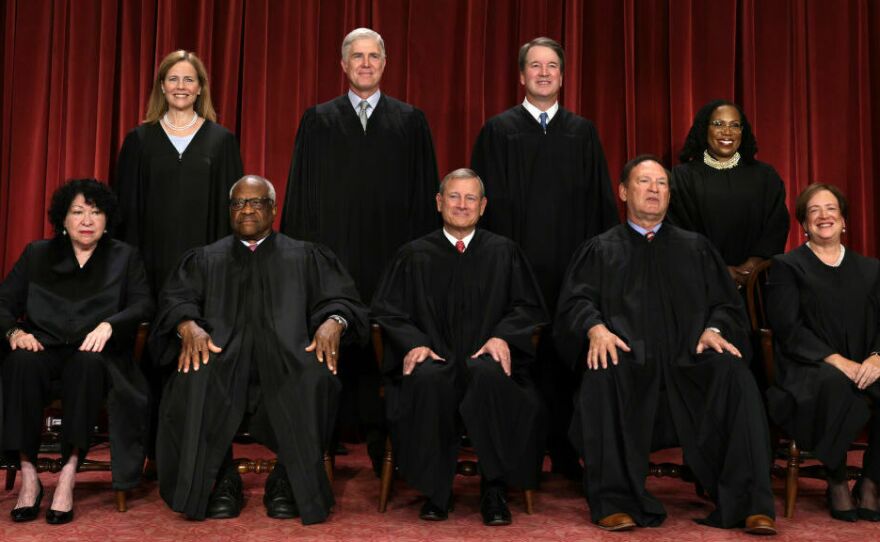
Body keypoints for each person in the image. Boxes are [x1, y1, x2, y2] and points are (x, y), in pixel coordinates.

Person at [554, 155, 777, 534]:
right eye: (644, 182)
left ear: (670, 195)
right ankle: (615, 500)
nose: (654, 189)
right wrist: (595, 329)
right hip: (629, 361)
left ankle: (749, 503)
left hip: (689, 360)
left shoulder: (696, 249)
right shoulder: (601, 249)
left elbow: (726, 305)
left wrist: (716, 330)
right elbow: (575, 303)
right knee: (602, 371)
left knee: (733, 374)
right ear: (624, 192)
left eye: (662, 184)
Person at [151, 175, 368, 524]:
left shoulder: (306, 256)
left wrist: (335, 321)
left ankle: (288, 479)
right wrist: (186, 325)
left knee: (315, 378)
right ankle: (220, 479)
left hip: (288, 357)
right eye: (238, 203)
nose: (247, 209)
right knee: (193, 376)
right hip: (222, 356)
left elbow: (342, 299)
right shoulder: (205, 259)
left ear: (274, 209)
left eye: (256, 202)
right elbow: (177, 300)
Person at [281, 27, 438, 466]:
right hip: (334, 257)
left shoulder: (410, 121)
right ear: (344, 65)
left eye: (373, 56)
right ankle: (328, 430)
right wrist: (304, 258)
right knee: (333, 333)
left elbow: (424, 199)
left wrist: (417, 262)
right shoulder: (318, 120)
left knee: (385, 338)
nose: (366, 64)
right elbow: (301, 196)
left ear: (385, 64)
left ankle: (382, 431)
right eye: (357, 57)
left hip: (392, 256)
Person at [471, 36, 618, 478]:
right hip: (516, 270)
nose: (543, 73)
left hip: (571, 271)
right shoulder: (498, 131)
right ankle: (521, 453)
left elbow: (600, 207)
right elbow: (481, 207)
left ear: (562, 75)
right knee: (521, 359)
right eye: (534, 66)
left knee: (566, 357)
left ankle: (568, 448)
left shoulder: (583, 132)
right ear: (521, 75)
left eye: (552, 66)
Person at [372, 169, 548, 526]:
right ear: (439, 202)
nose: (462, 205)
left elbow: (529, 308)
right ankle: (436, 491)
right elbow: (387, 311)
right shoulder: (413, 255)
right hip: (435, 359)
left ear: (483, 207)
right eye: (454, 196)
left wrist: (502, 337)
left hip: (486, 359)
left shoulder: (504, 252)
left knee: (489, 376)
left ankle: (494, 489)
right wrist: (415, 344)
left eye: (471, 198)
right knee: (428, 381)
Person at [0, 179, 153, 524]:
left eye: (96, 212)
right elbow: (4, 302)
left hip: (94, 351)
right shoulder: (37, 253)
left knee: (86, 366)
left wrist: (111, 324)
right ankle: (29, 475)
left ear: (107, 219)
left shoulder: (124, 256)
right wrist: (13, 331)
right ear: (63, 220)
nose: (87, 220)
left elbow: (144, 304)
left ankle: (68, 472)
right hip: (44, 346)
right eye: (78, 212)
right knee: (19, 362)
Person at [766, 183, 880, 522]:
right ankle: (837, 479)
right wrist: (838, 361)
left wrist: (876, 357)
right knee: (836, 386)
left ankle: (871, 481)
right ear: (804, 223)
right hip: (807, 366)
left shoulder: (871, 269)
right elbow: (788, 329)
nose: (823, 216)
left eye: (831, 209)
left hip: (865, 363)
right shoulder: (787, 266)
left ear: (844, 220)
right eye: (814, 210)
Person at [115, 49, 244, 295]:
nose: (180, 86)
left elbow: (231, 212)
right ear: (162, 86)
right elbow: (126, 212)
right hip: (150, 265)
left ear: (199, 88)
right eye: (173, 79)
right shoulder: (139, 141)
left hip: (206, 265)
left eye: (189, 80)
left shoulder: (222, 141)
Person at [668, 99, 789, 289]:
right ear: (704, 129)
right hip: (700, 284)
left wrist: (752, 266)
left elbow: (776, 226)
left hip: (755, 286)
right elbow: (679, 232)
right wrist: (718, 270)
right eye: (718, 124)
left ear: (743, 131)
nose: (727, 132)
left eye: (734, 125)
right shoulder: (682, 178)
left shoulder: (765, 176)